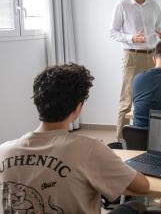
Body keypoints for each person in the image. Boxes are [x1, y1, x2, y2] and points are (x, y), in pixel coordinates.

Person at [0, 63, 149, 213]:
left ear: (37, 101)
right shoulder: (89, 149)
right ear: (78, 108)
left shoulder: (3, 151)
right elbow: (142, 186)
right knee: (136, 206)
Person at [110, 0, 161, 140]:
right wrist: (130, 38)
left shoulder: (154, 6)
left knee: (151, 98)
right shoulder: (122, 5)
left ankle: (150, 138)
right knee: (127, 100)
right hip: (132, 56)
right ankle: (120, 140)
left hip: (152, 57)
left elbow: (160, 26)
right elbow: (112, 32)